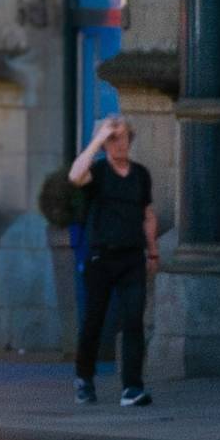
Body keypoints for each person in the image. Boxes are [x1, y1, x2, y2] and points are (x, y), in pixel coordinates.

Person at [66, 115, 158, 407]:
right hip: (101, 257)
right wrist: (97, 139)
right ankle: (84, 378)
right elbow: (74, 176)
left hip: (132, 256)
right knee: (94, 320)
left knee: (133, 320)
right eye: (113, 139)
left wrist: (153, 250)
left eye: (123, 138)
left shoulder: (140, 174)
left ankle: (132, 387)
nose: (120, 144)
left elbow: (148, 214)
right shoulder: (98, 172)